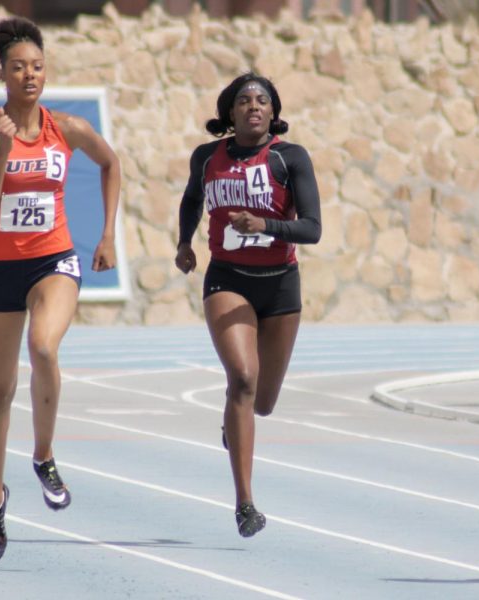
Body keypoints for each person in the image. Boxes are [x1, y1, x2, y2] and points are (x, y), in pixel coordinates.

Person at [0, 16, 120, 561]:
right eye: (18, 67)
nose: (29, 75)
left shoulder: (67, 128)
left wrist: (107, 234)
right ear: (2, 74)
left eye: (37, 66)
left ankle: (45, 455)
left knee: (45, 347)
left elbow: (110, 162)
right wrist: (3, 152)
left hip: (55, 258)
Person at [175, 73, 321, 537]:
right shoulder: (206, 158)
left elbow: (313, 228)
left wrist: (266, 225)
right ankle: (245, 504)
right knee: (241, 378)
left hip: (280, 287)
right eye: (244, 100)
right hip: (227, 279)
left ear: (274, 113)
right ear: (230, 112)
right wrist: (184, 242)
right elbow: (191, 201)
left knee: (262, 403)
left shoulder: (289, 158)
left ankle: (234, 427)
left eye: (262, 100)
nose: (253, 106)